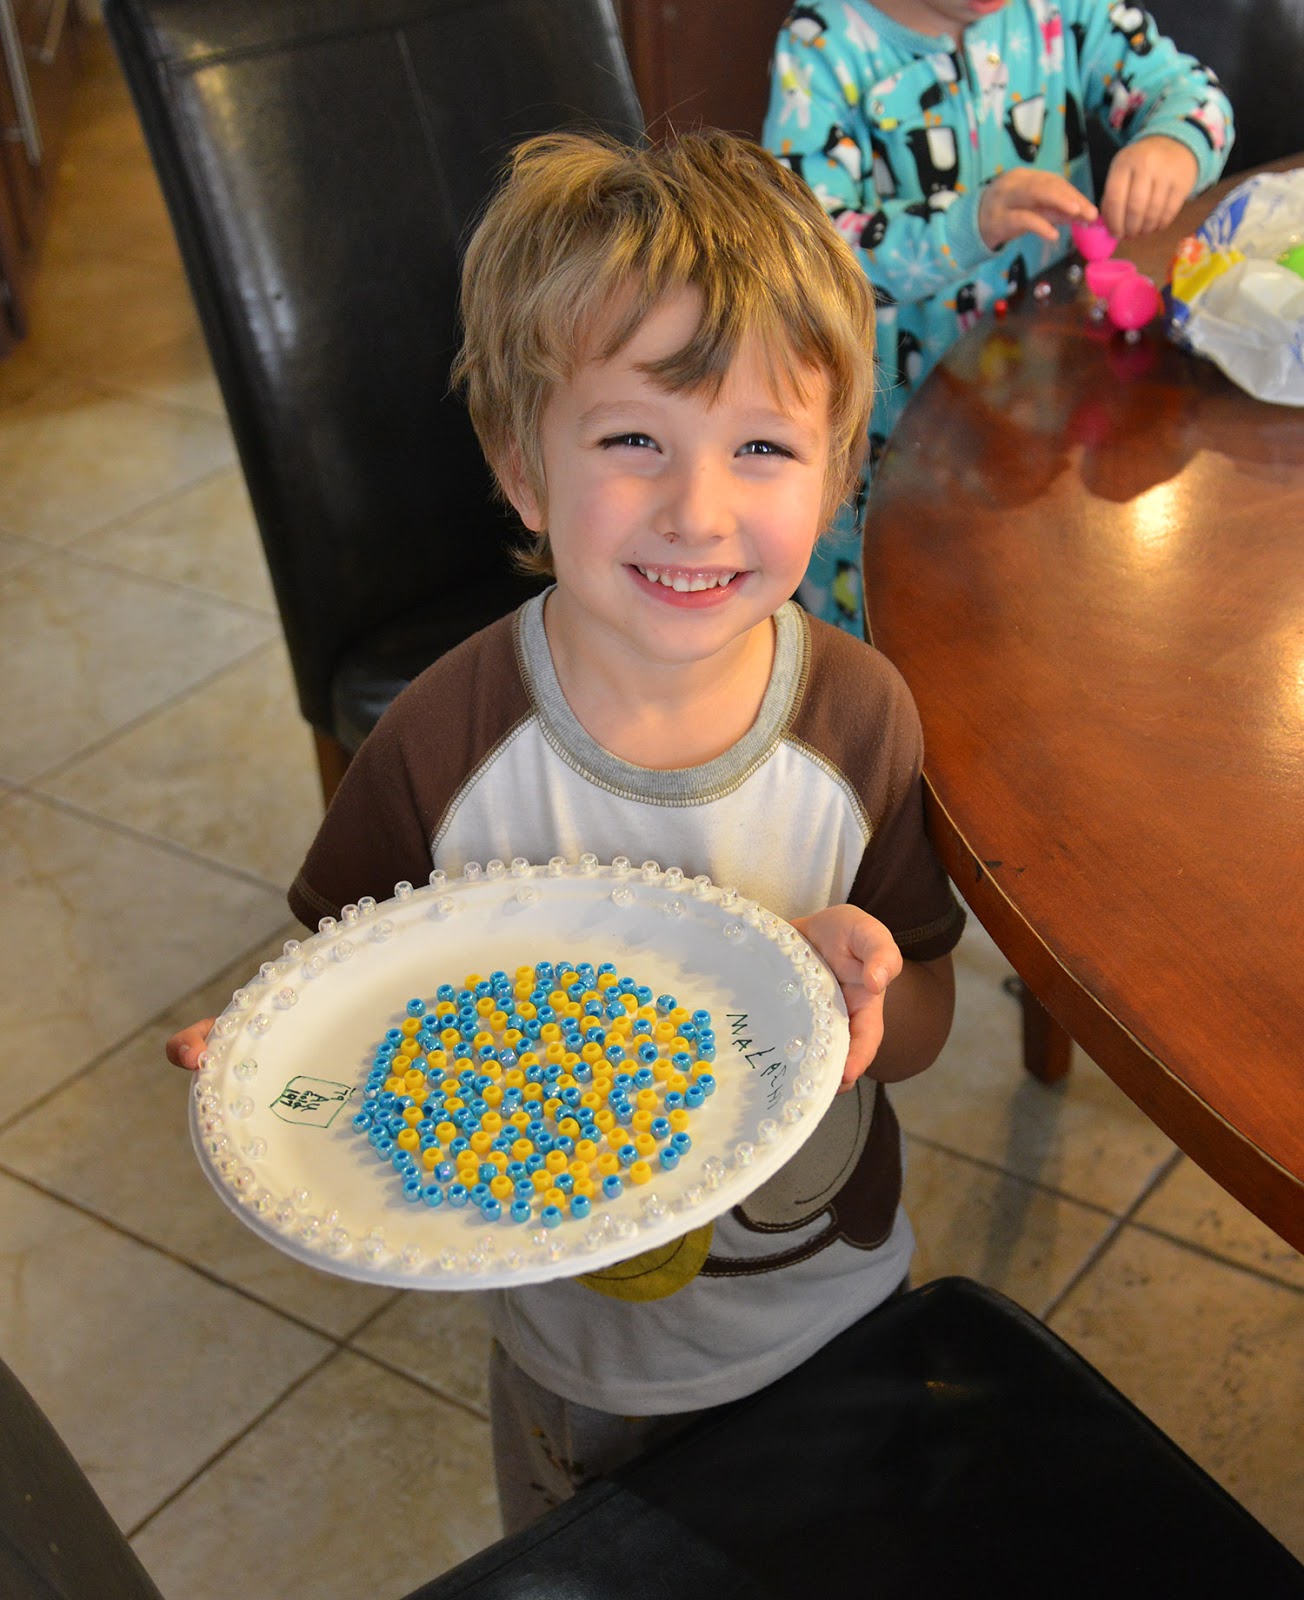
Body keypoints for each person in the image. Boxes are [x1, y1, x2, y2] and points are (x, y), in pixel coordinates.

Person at [166, 130, 965, 1533]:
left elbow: (932, 1002)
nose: (697, 509)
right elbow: (333, 983)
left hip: (830, 1305)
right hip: (581, 1361)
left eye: (764, 445)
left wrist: (870, 1002)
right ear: (525, 469)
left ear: (836, 476)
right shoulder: (442, 744)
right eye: (634, 438)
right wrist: (270, 1062)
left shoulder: (862, 720)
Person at [762, 0, 1235, 633]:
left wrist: (1172, 142)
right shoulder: (823, 48)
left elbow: (1190, 93)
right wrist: (968, 221)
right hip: (898, 436)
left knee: (1032, 603)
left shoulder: (1063, 12)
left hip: (1054, 400)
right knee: (898, 624)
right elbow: (805, 250)